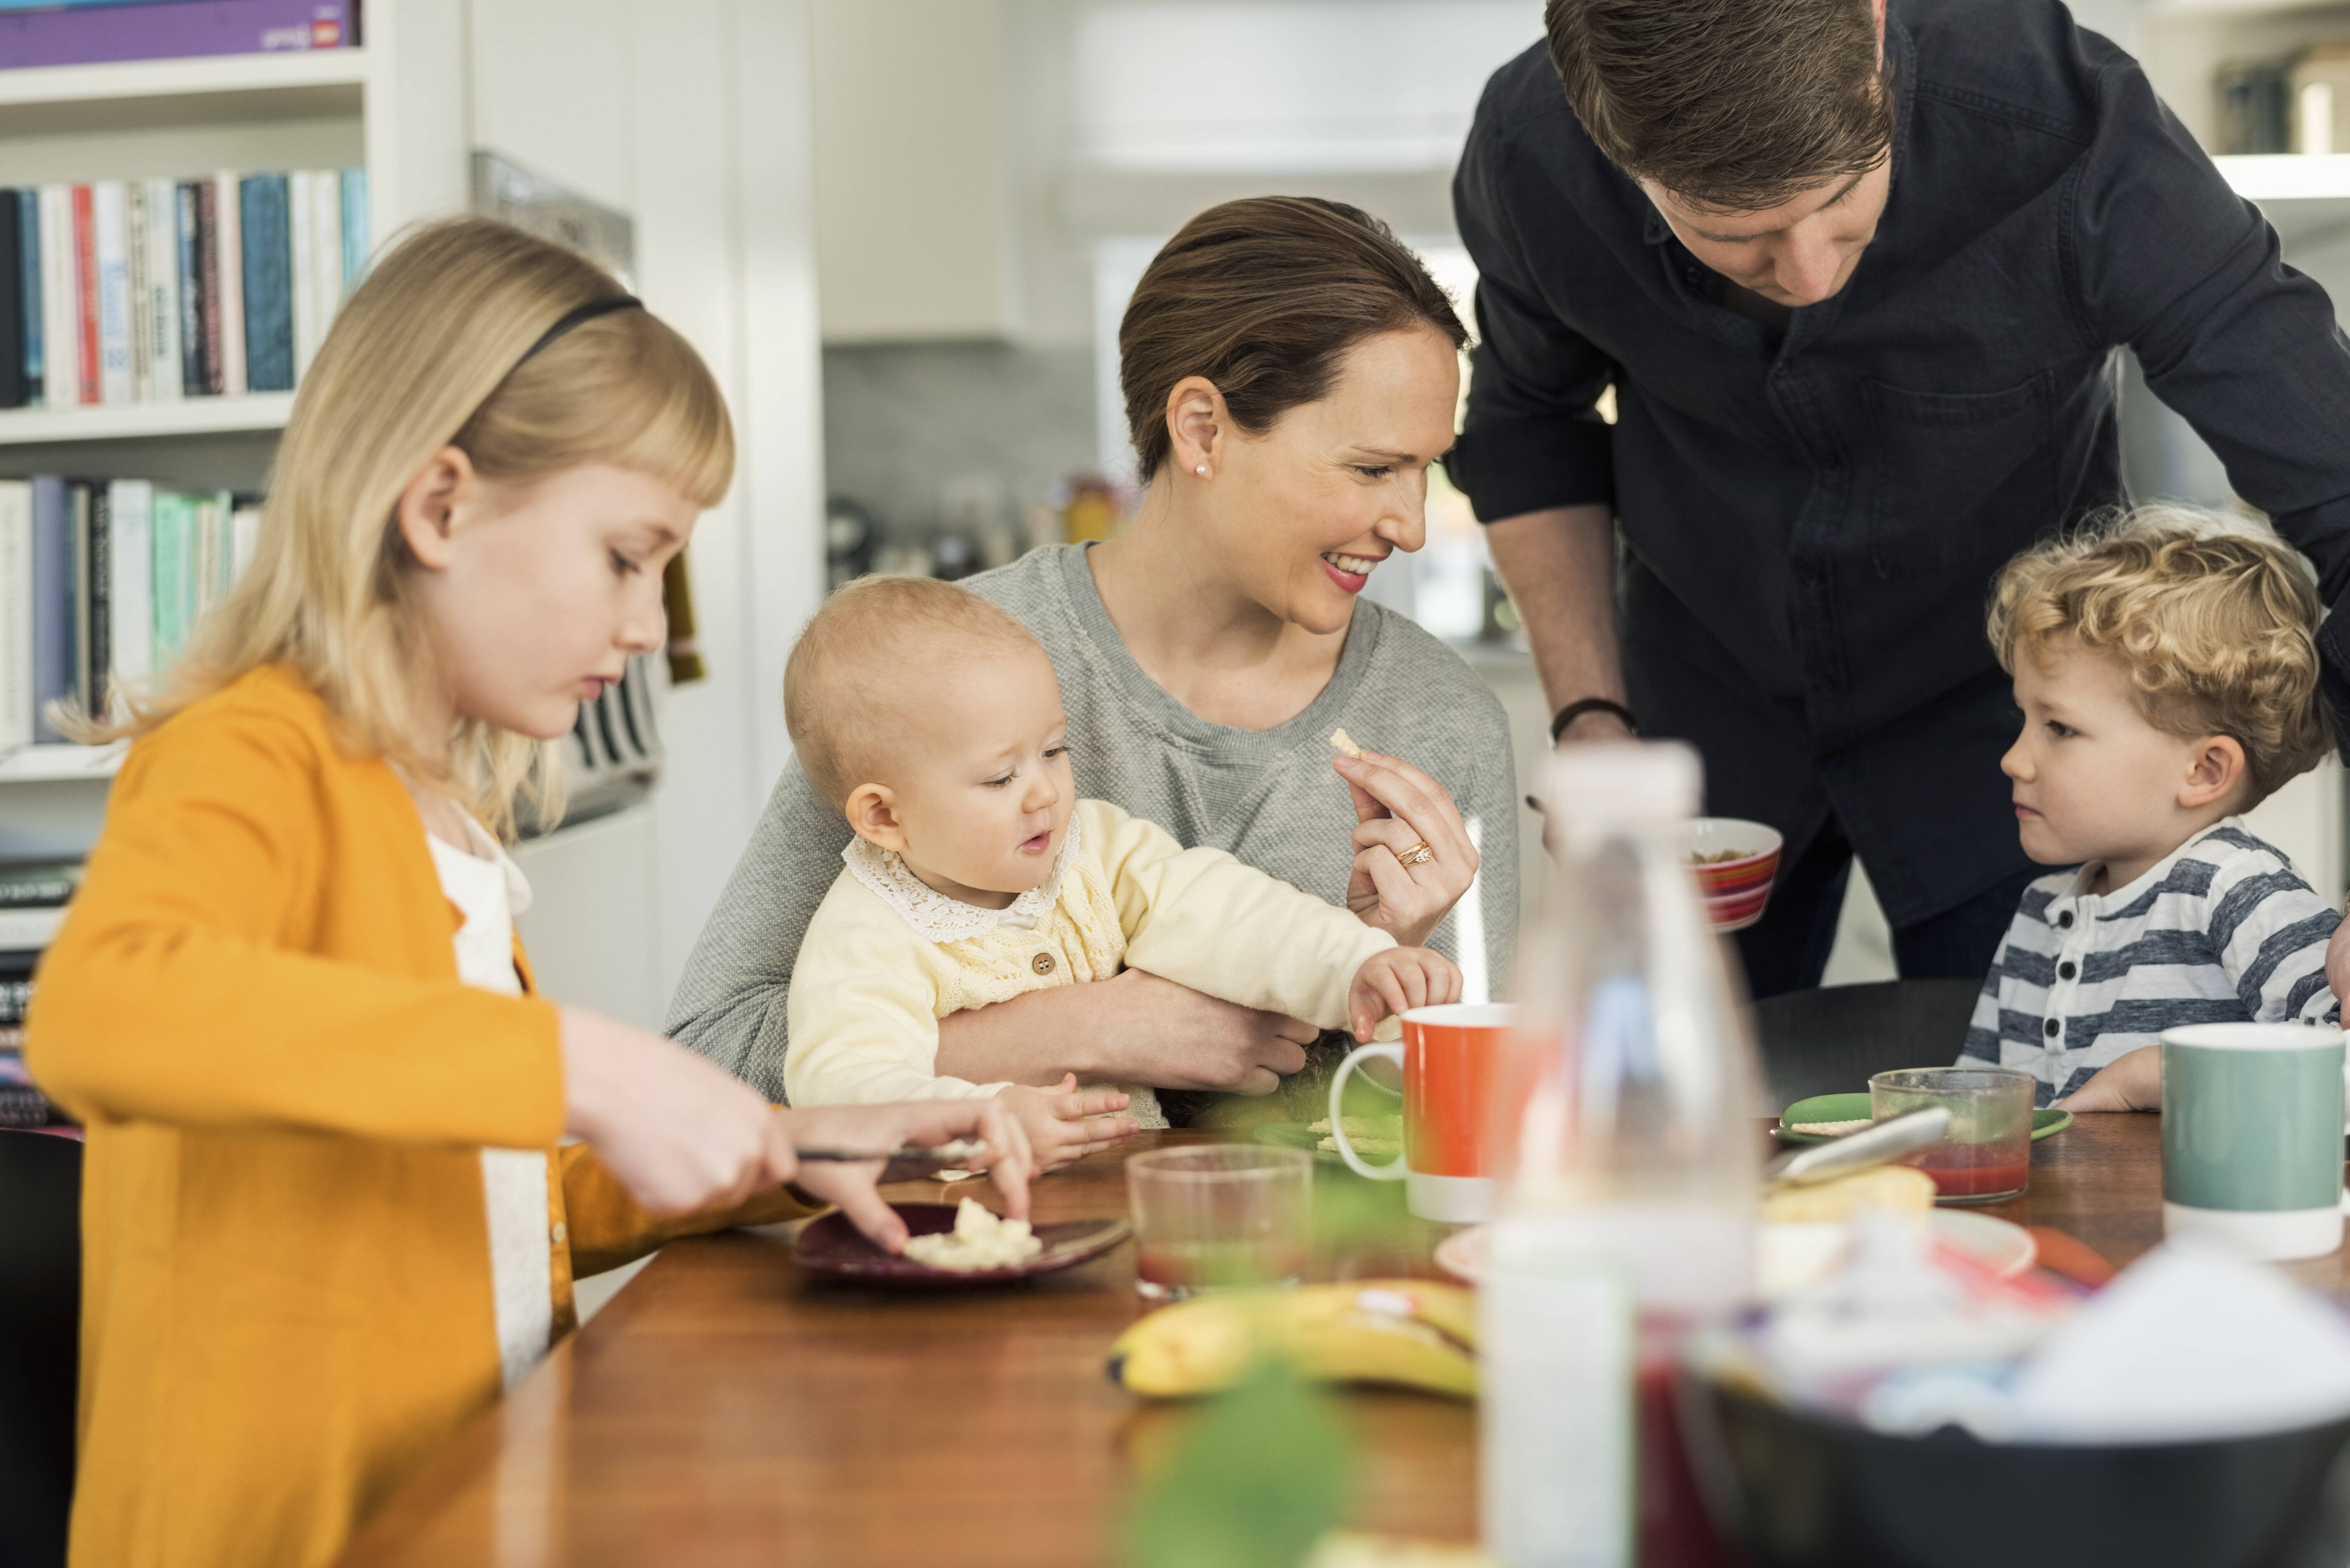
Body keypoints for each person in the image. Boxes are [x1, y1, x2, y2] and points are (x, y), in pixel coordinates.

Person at [22, 218, 1034, 1568]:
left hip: (469, 1500)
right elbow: (101, 1011)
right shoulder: (246, 751)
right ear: (440, 508)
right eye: (626, 556)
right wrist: (591, 1064)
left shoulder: (436, 807)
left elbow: (504, 1197)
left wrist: (795, 1147)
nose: (647, 624)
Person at [1449, 0, 2350, 999]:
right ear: (1616, 154)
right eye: (1732, 234)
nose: (1809, 274)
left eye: (1840, 199)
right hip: (1701, 706)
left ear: (1874, 31)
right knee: (1659, 1106)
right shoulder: (1532, 152)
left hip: (2018, 720)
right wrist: (1589, 717)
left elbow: (2340, 486)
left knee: (2047, 1112)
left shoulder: (2075, 132)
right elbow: (1528, 430)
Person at [671, 197, 1517, 1121]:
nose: (1410, 526)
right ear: (1201, 429)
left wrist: (1376, 956)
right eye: (1371, 469)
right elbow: (706, 1061)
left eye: (1425, 470)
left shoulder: (1439, 720)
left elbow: (1468, 1130)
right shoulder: (941, 673)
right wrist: (1087, 1029)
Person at [782, 575, 1464, 1155]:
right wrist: (983, 1119)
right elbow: (844, 1087)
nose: (1046, 792)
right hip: (962, 1223)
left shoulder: (1096, 849)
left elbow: (1229, 913)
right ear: (884, 818)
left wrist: (1357, 963)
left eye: (1054, 751)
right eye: (999, 780)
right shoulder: (864, 938)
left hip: (1127, 1198)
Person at [1955, 509, 2341, 1111]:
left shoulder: (2239, 893)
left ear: (2204, 772)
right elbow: (1975, 1114)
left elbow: (2337, 1066)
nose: (2014, 760)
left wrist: (2152, 1076)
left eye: (2059, 728)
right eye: (2023, 720)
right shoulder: (2040, 915)